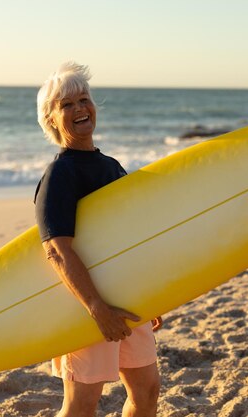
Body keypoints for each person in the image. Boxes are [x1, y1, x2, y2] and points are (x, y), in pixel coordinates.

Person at [34, 62, 161, 417]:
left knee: (147, 391)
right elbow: (57, 252)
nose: (80, 109)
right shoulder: (60, 175)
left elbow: (127, 239)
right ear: (51, 120)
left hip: (127, 300)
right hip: (87, 307)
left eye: (84, 99)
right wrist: (96, 308)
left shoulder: (112, 166)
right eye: (67, 105)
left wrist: (151, 294)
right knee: (82, 404)